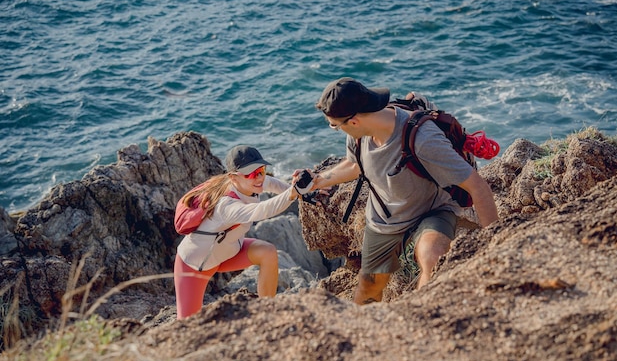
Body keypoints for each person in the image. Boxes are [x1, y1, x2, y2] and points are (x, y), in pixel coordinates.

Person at [312, 77, 499, 304]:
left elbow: (477, 186)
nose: (335, 129)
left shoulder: (423, 138)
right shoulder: (360, 136)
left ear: (354, 122)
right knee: (368, 290)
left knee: (433, 256)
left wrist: (496, 247)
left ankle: (422, 314)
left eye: (334, 125)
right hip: (385, 218)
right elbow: (354, 165)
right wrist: (317, 180)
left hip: (432, 210)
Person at [174, 145, 313, 319]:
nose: (259, 178)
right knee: (186, 324)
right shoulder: (226, 205)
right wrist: (293, 193)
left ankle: (267, 312)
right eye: (251, 174)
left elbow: (273, 184)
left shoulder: (254, 184)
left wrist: (306, 193)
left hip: (228, 254)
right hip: (195, 266)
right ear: (233, 177)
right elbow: (262, 210)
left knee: (267, 252)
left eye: (261, 170)